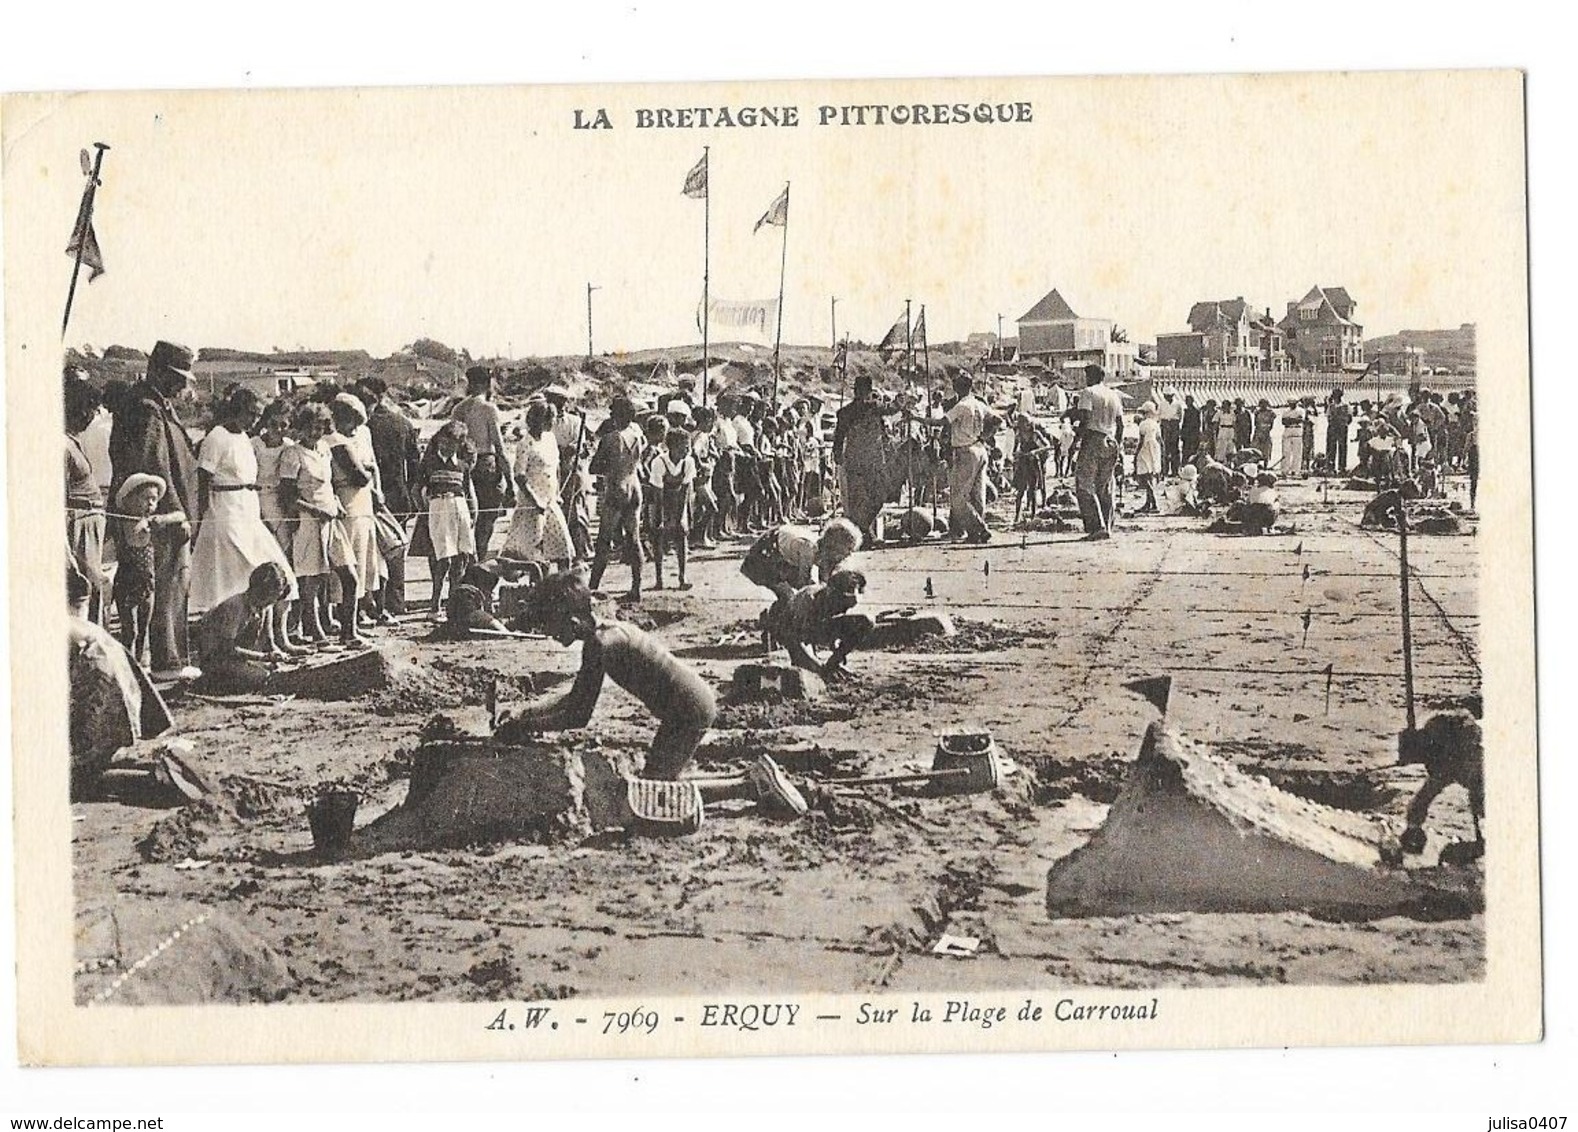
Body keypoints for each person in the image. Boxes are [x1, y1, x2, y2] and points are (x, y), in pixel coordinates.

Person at [494, 571, 717, 780]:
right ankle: (739, 783)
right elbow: (574, 698)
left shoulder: (601, 644)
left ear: (572, 622)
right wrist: (525, 713)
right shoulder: (605, 633)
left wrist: (525, 726)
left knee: (654, 785)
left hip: (689, 710)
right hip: (688, 704)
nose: (549, 634)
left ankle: (742, 786)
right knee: (659, 776)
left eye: (549, 626)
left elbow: (578, 716)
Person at [107, 341, 201, 680]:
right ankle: (165, 661)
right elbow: (153, 466)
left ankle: (170, 657)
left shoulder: (158, 405)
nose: (180, 385)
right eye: (176, 377)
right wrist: (175, 513)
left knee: (173, 584)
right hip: (160, 516)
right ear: (157, 371)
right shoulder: (146, 408)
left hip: (167, 515)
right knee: (162, 586)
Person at [189, 386, 300, 671]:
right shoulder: (217, 437)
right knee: (245, 575)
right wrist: (200, 519)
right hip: (224, 511)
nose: (254, 420)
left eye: (258, 415)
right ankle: (247, 644)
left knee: (279, 575)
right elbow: (203, 480)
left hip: (248, 508)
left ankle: (277, 639)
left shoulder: (245, 439)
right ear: (236, 410)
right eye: (251, 414)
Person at [278, 402, 362, 647]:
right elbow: (288, 497)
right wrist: (315, 511)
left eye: (320, 427)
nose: (316, 432)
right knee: (311, 581)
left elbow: (328, 484)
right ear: (302, 427)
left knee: (350, 577)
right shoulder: (293, 454)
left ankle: (350, 632)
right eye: (311, 428)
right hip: (308, 521)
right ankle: (316, 634)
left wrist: (335, 502)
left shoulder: (324, 449)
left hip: (331, 519)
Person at [356, 376, 421, 614]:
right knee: (395, 552)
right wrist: (411, 493)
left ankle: (374, 605)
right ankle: (396, 603)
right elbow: (415, 464)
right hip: (397, 495)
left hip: (367, 495)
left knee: (371, 554)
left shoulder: (361, 427)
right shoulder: (402, 423)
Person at [109, 473, 185, 668]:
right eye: (145, 498)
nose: (150, 504)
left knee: (144, 630)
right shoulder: (122, 523)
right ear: (130, 500)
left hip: (147, 585)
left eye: (154, 499)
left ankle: (141, 667)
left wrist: (161, 519)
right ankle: (127, 665)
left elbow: (181, 516)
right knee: (130, 631)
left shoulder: (153, 523)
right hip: (127, 585)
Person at [326, 393, 385, 628]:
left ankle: (360, 607)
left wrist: (372, 478)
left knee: (365, 555)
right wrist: (367, 470)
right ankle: (343, 611)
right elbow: (359, 476)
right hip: (346, 500)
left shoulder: (361, 435)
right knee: (348, 555)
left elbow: (371, 466)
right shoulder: (334, 440)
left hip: (363, 502)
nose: (354, 428)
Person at [192, 562, 294, 693]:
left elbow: (269, 642)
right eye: (274, 596)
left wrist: (279, 656)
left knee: (278, 672)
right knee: (262, 677)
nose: (274, 601)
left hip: (242, 658)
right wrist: (264, 657)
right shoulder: (235, 607)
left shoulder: (266, 607)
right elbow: (227, 649)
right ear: (262, 591)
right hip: (217, 660)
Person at [763, 568, 874, 684]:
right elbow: (796, 641)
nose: (845, 608)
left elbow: (832, 622)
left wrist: (837, 657)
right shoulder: (808, 600)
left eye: (849, 606)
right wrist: (820, 669)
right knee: (809, 672)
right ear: (832, 593)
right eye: (844, 604)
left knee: (867, 621)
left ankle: (832, 666)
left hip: (814, 627)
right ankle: (825, 669)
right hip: (790, 631)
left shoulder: (840, 599)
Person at [415, 418, 478, 619]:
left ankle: (454, 604)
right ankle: (434, 606)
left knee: (462, 556)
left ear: (460, 445)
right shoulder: (429, 463)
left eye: (453, 444)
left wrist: (473, 512)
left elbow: (469, 492)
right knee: (443, 559)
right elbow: (416, 490)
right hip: (439, 507)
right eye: (444, 442)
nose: (447, 447)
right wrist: (425, 510)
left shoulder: (462, 466)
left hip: (459, 508)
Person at [502, 398, 574, 574]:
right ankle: (537, 592)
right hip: (532, 503)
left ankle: (564, 588)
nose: (552, 422)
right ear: (538, 420)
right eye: (549, 419)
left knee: (564, 549)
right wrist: (536, 501)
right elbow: (519, 476)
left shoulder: (550, 438)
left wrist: (557, 494)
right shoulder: (525, 443)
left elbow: (555, 468)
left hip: (550, 501)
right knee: (534, 554)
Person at [588, 396, 647, 602]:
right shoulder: (638, 434)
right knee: (634, 538)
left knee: (603, 541)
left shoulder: (611, 438)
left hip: (616, 487)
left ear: (619, 415)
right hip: (634, 485)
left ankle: (592, 588)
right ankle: (636, 588)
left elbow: (594, 467)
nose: (611, 417)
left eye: (613, 413)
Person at [451, 366, 513, 553]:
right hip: (485, 466)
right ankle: (480, 559)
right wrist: (510, 482)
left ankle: (468, 560)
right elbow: (499, 447)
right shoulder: (488, 409)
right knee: (486, 519)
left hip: (462, 465)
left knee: (467, 517)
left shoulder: (458, 409)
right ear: (487, 384)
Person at [831, 373, 897, 540]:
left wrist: (838, 454)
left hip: (867, 461)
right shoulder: (868, 408)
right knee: (865, 498)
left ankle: (863, 529)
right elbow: (838, 437)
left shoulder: (852, 411)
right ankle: (862, 532)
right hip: (862, 462)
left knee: (873, 496)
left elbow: (838, 439)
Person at [66, 373, 109, 622]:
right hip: (77, 528)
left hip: (89, 527)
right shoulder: (62, 445)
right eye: (88, 410)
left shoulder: (74, 441)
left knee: (94, 588)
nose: (91, 416)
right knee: (84, 589)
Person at [1070, 364, 1125, 540]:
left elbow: (1085, 420)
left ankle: (1096, 527)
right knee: (1105, 486)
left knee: (1084, 485)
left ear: (1091, 376)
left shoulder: (1088, 392)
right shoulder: (1114, 395)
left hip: (1093, 439)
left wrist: (1076, 440)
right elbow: (1121, 424)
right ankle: (1107, 526)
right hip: (1110, 440)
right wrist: (1119, 444)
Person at [740, 517, 863, 593]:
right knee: (787, 593)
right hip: (763, 555)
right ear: (834, 546)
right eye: (845, 551)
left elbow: (825, 576)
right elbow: (803, 581)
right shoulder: (808, 549)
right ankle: (777, 620)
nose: (846, 556)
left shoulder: (822, 550)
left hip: (778, 552)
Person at [943, 373, 993, 543]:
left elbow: (942, 422)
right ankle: (974, 534)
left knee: (958, 498)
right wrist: (984, 436)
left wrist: (918, 418)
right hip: (979, 448)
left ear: (959, 387)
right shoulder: (978, 403)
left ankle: (979, 528)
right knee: (977, 495)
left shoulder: (962, 405)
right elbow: (998, 419)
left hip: (966, 451)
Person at [650, 425, 696, 590]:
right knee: (658, 535)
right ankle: (659, 578)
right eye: (684, 447)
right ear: (673, 446)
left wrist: (678, 519)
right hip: (659, 500)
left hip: (678, 501)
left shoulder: (689, 462)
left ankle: (683, 577)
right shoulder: (659, 462)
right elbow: (657, 494)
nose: (688, 450)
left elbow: (684, 492)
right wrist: (661, 519)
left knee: (681, 534)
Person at [1010, 412, 1053, 526]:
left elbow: (1048, 446)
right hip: (1023, 463)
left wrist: (1035, 452)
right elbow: (1014, 451)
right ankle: (1017, 516)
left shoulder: (1035, 434)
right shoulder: (1018, 435)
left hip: (1033, 463)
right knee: (1020, 491)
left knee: (1032, 490)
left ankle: (1033, 515)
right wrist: (1016, 454)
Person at [1132, 401, 1162, 514]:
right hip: (1155, 449)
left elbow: (1141, 441)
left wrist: (1136, 454)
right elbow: (1160, 440)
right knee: (1151, 475)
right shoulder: (1155, 424)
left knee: (1146, 476)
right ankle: (1148, 502)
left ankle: (1154, 503)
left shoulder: (1143, 424)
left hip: (1145, 449)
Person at [1156, 386, 1183, 476]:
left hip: (1174, 425)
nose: (1168, 397)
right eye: (1167, 396)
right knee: (1165, 449)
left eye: (1170, 396)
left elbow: (1180, 417)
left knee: (1175, 449)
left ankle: (1175, 470)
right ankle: (1165, 470)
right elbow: (1159, 416)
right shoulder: (1162, 404)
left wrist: (1176, 427)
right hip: (1165, 425)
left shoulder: (1178, 404)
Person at [1278, 399, 1306, 478]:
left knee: (1297, 452)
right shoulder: (1286, 411)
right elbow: (1284, 421)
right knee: (1286, 452)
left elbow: (1300, 420)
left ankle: (1295, 470)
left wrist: (1290, 419)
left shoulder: (1301, 410)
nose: (1292, 405)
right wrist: (1293, 420)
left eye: (1293, 403)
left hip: (1297, 431)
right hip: (1288, 431)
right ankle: (1285, 470)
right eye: (1290, 403)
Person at [1326, 389, 1351, 476]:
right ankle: (1330, 467)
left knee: (1342, 447)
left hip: (1342, 428)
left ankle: (1342, 467)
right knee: (1331, 447)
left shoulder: (1346, 405)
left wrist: (1344, 424)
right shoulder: (1331, 406)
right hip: (1333, 428)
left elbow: (1350, 417)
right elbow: (1328, 416)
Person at [1180, 395, 1202, 464]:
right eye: (1186, 401)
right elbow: (1184, 423)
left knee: (1192, 451)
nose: (1187, 402)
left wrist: (1196, 434)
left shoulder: (1196, 411)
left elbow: (1198, 424)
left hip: (1193, 434)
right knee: (1185, 451)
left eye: (1188, 401)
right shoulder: (1186, 411)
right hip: (1186, 434)